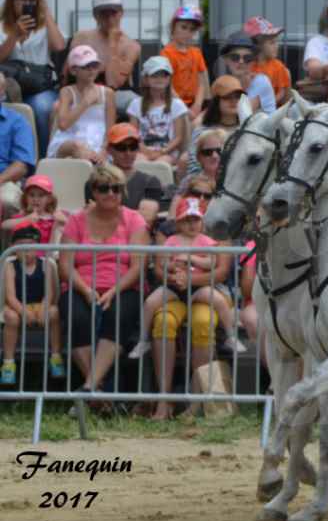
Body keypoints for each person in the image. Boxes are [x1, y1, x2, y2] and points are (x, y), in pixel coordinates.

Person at [132, 198, 240, 418]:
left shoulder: (208, 240)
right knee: (152, 303)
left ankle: (231, 335)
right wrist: (175, 270)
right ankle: (143, 341)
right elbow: (161, 265)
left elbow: (216, 266)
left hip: (201, 287)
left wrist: (191, 260)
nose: (192, 225)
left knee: (215, 302)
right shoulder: (171, 240)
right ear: (178, 222)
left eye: (196, 220)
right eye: (187, 220)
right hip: (175, 286)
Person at [58, 163, 150, 398]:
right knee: (75, 315)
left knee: (117, 316)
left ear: (123, 192)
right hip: (81, 285)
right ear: (93, 192)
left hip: (125, 286)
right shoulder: (76, 220)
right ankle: (97, 392)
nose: (110, 193)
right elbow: (65, 264)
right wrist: (86, 290)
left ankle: (90, 388)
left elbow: (138, 267)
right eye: (104, 188)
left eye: (116, 188)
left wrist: (113, 292)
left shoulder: (135, 220)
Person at [2, 0, 68, 151]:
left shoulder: (44, 24)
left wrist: (46, 12)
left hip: (40, 86)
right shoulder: (2, 26)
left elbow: (59, 46)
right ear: (12, 0)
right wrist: (14, 35)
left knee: (41, 108)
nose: (27, 3)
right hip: (11, 87)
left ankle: (44, 158)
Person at [1, 224, 62, 385]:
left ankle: (56, 357)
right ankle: (8, 362)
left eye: (31, 246)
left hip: (40, 304)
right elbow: (10, 296)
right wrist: (23, 312)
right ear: (14, 248)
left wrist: (43, 309)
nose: (27, 251)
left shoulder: (46, 264)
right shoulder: (10, 265)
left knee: (54, 312)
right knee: (10, 317)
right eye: (23, 247)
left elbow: (50, 293)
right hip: (17, 305)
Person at [71, 0, 139, 113]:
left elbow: (113, 83)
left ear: (121, 13)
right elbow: (69, 75)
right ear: (95, 15)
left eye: (113, 13)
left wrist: (112, 44)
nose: (109, 19)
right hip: (82, 90)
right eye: (104, 14)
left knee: (136, 104)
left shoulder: (131, 46)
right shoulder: (81, 37)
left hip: (115, 94)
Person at [46, 44, 115, 161]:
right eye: (86, 66)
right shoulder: (67, 92)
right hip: (69, 141)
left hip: (99, 144)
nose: (91, 70)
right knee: (77, 147)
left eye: (94, 65)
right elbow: (63, 125)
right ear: (73, 70)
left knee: (94, 154)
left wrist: (104, 149)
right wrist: (85, 102)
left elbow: (110, 129)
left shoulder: (108, 93)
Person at [127, 55, 189, 168]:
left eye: (164, 75)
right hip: (142, 151)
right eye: (154, 75)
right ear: (146, 78)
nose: (159, 79)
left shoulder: (177, 105)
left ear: (169, 78)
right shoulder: (135, 104)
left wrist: (162, 151)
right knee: (138, 164)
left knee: (161, 166)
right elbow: (133, 134)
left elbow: (178, 137)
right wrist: (145, 151)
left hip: (168, 152)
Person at [105, 123, 170, 226]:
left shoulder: (151, 181)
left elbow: (145, 221)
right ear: (109, 149)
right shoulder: (95, 182)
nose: (128, 153)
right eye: (121, 147)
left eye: (133, 147)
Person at [161, 5, 210, 119]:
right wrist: (184, 108)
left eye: (192, 29)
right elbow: (167, 86)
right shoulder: (166, 54)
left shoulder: (196, 52)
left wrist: (198, 104)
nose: (187, 32)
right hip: (173, 104)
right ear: (173, 27)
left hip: (195, 104)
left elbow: (201, 82)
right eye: (183, 27)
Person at [0, 72, 35, 212]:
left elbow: (21, 166)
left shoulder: (17, 122)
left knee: (7, 201)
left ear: (2, 91)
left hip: (5, 180)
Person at [218, 34, 277, 115]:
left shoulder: (261, 82)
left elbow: (241, 114)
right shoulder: (223, 83)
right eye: (235, 57)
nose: (241, 61)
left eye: (247, 58)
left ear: (253, 61)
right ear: (226, 60)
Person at [2, 174, 65, 245]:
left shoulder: (53, 215)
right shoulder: (24, 214)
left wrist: (63, 220)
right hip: (23, 253)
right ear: (25, 198)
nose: (35, 199)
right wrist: (26, 219)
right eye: (31, 195)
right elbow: (4, 225)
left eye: (41, 195)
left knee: (59, 227)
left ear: (49, 199)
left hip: (47, 253)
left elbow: (71, 228)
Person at [243, 16, 292, 106]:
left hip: (272, 109)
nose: (276, 46)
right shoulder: (247, 66)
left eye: (276, 42)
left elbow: (282, 92)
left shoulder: (278, 66)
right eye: (272, 43)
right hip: (251, 109)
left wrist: (268, 103)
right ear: (257, 45)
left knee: (287, 72)